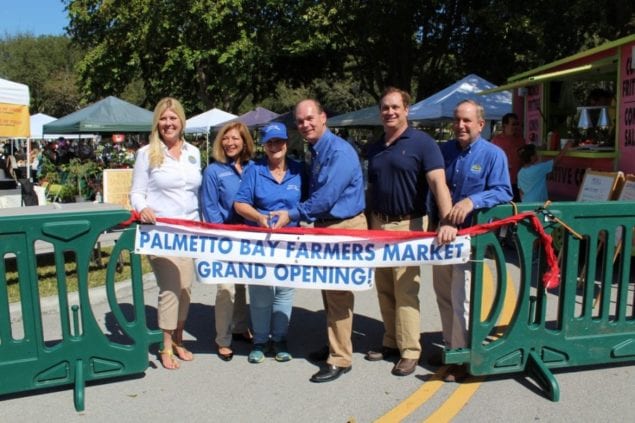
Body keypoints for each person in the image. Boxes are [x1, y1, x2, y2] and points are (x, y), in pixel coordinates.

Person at [272, 99, 366, 383]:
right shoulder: (316, 150)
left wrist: (292, 214)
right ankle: (336, 345)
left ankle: (340, 359)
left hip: (342, 226)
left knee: (338, 295)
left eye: (310, 118)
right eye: (300, 121)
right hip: (326, 228)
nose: (305, 125)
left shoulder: (339, 152)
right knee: (330, 293)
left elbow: (326, 198)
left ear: (324, 118)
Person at [365, 87, 456, 377]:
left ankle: (410, 350)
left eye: (395, 107)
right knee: (385, 287)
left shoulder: (423, 143)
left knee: (406, 290)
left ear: (407, 109)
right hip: (378, 224)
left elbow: (438, 184)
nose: (389, 112)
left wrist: (447, 220)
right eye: (384, 108)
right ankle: (391, 341)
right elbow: (371, 187)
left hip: (409, 224)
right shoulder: (375, 145)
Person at [432, 99, 513, 382]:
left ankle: (463, 357)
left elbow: (504, 191)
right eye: (457, 120)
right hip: (441, 235)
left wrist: (472, 201)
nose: (460, 125)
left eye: (467, 121)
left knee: (461, 298)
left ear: (481, 124)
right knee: (442, 295)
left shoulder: (493, 155)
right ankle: (450, 346)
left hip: (469, 240)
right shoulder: (444, 151)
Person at [130, 97, 201, 370]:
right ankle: (166, 345)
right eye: (163, 118)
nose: (168, 123)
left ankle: (180, 339)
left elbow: (196, 192)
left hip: (190, 231)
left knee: (185, 288)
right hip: (160, 233)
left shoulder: (194, 152)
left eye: (173, 118)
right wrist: (143, 207)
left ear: (181, 121)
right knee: (170, 287)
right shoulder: (147, 153)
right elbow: (136, 192)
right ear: (157, 123)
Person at [234, 122, 303, 364]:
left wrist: (294, 216)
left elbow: (309, 204)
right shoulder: (254, 170)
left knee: (284, 290)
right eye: (270, 142)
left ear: (286, 143)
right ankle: (260, 341)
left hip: (289, 240)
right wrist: (259, 217)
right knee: (261, 292)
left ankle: (280, 339)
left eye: (280, 141)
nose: (275, 146)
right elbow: (240, 203)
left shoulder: (298, 169)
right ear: (264, 145)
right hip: (260, 240)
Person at [200, 122, 255, 361]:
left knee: (242, 283)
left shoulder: (254, 167)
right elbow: (209, 206)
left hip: (249, 236)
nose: (230, 143)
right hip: (223, 236)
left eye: (236, 138)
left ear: (245, 142)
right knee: (225, 287)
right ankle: (222, 338)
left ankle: (240, 326)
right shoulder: (214, 171)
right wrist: (220, 235)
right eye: (226, 138)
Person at [491, 113, 526, 202]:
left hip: (519, 182)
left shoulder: (521, 140)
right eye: (513, 124)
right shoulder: (496, 140)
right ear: (504, 125)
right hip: (503, 182)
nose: (516, 126)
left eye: (517, 124)